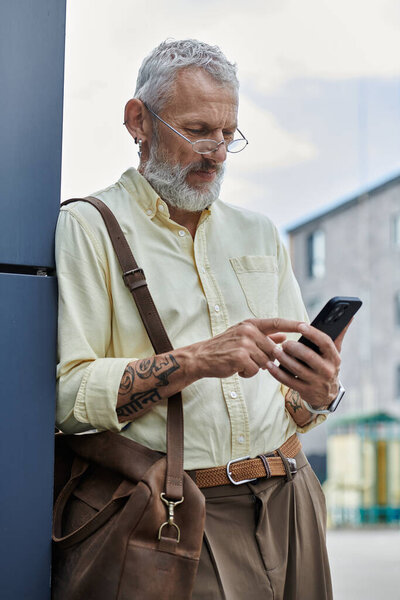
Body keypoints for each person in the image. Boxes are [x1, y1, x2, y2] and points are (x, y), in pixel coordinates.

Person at [56, 39, 348, 599]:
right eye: (196, 129)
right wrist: (193, 361)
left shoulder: (259, 232)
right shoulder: (88, 228)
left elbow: (294, 403)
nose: (215, 150)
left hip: (293, 498)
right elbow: (66, 399)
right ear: (137, 120)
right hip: (181, 515)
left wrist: (319, 393)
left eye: (227, 133)